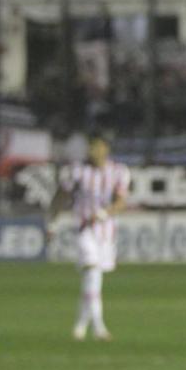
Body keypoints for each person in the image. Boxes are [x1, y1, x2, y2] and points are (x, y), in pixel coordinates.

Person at [48, 131, 131, 342]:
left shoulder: (119, 172)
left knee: (92, 279)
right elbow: (61, 196)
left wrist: (104, 213)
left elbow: (121, 202)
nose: (93, 151)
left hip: (106, 232)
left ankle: (80, 325)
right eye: (91, 147)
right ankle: (99, 327)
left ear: (106, 149)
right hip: (84, 229)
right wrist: (52, 222)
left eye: (97, 146)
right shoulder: (77, 172)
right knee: (92, 271)